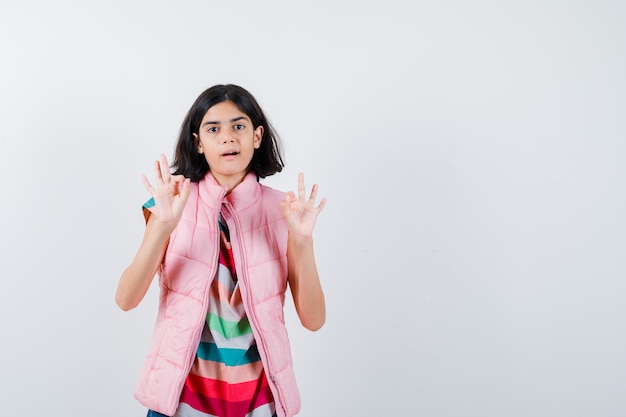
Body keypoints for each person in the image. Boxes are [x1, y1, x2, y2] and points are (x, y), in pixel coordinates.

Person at [115, 84, 326, 417]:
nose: (228, 137)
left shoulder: (284, 210)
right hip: (180, 402)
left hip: (257, 403)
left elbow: (314, 319)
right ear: (198, 143)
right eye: (214, 128)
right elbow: (126, 299)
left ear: (257, 136)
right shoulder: (171, 203)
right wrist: (163, 227)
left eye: (238, 126)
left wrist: (303, 242)